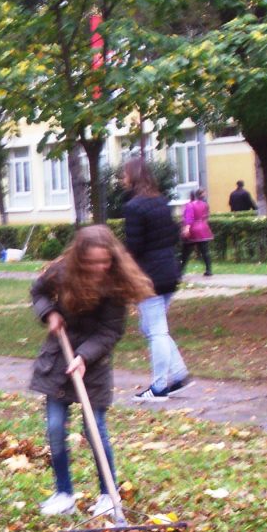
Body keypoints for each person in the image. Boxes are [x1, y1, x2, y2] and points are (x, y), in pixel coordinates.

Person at [30, 225, 154, 516]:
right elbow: (38, 291)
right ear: (79, 259)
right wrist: (50, 313)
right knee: (55, 428)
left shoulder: (116, 285)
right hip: (58, 359)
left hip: (93, 366)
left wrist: (85, 356)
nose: (99, 267)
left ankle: (108, 496)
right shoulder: (61, 272)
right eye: (92, 263)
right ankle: (64, 494)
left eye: (104, 261)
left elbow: (110, 331)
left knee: (95, 429)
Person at [121, 157, 192, 401]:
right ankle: (179, 373)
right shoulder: (160, 202)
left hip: (148, 277)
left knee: (156, 331)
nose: (122, 179)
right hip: (168, 272)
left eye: (124, 174)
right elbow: (172, 235)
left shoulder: (134, 207)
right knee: (150, 326)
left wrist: (121, 267)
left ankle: (159, 386)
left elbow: (135, 246)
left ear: (132, 177)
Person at [180, 188, 213, 276]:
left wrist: (186, 229)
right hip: (204, 229)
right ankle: (209, 270)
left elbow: (189, 218)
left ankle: (180, 270)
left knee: (185, 252)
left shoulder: (189, 205)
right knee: (205, 251)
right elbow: (206, 216)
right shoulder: (205, 204)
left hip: (193, 230)